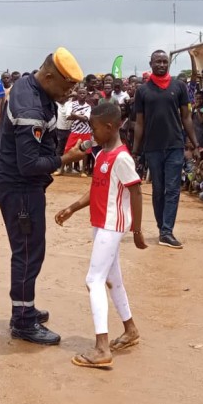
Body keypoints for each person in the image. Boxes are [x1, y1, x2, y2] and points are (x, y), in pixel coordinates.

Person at [0, 47, 88, 345]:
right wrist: (67, 158)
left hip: (22, 184)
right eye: (66, 85)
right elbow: (30, 164)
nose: (69, 92)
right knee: (28, 252)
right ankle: (22, 320)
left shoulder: (32, 87)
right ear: (47, 76)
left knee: (30, 249)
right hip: (20, 186)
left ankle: (26, 308)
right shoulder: (30, 108)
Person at [55, 103, 146, 368]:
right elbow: (97, 189)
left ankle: (101, 347)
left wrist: (137, 230)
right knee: (111, 280)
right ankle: (130, 329)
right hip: (101, 223)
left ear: (109, 127)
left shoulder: (121, 158)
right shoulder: (102, 152)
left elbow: (137, 192)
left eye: (94, 128)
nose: (91, 133)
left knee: (93, 280)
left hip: (111, 226)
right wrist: (72, 207)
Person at [132, 50, 199, 249]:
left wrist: (195, 143)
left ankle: (167, 231)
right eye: (158, 62)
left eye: (165, 61)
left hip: (175, 145)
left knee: (173, 189)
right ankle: (163, 227)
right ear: (150, 63)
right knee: (158, 189)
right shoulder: (142, 91)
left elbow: (186, 117)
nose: (162, 65)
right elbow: (139, 123)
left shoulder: (179, 86)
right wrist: (135, 151)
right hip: (152, 147)